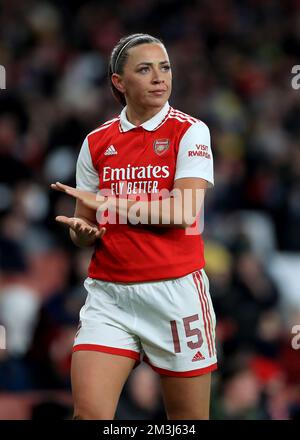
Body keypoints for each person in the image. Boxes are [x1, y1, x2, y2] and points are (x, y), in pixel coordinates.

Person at [51, 33, 217, 420]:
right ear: (119, 82)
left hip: (175, 295)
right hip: (109, 296)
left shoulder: (191, 131)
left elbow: (183, 211)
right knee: (88, 416)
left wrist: (109, 203)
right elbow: (83, 225)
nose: (160, 78)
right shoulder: (96, 142)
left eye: (165, 67)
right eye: (145, 69)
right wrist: (81, 232)